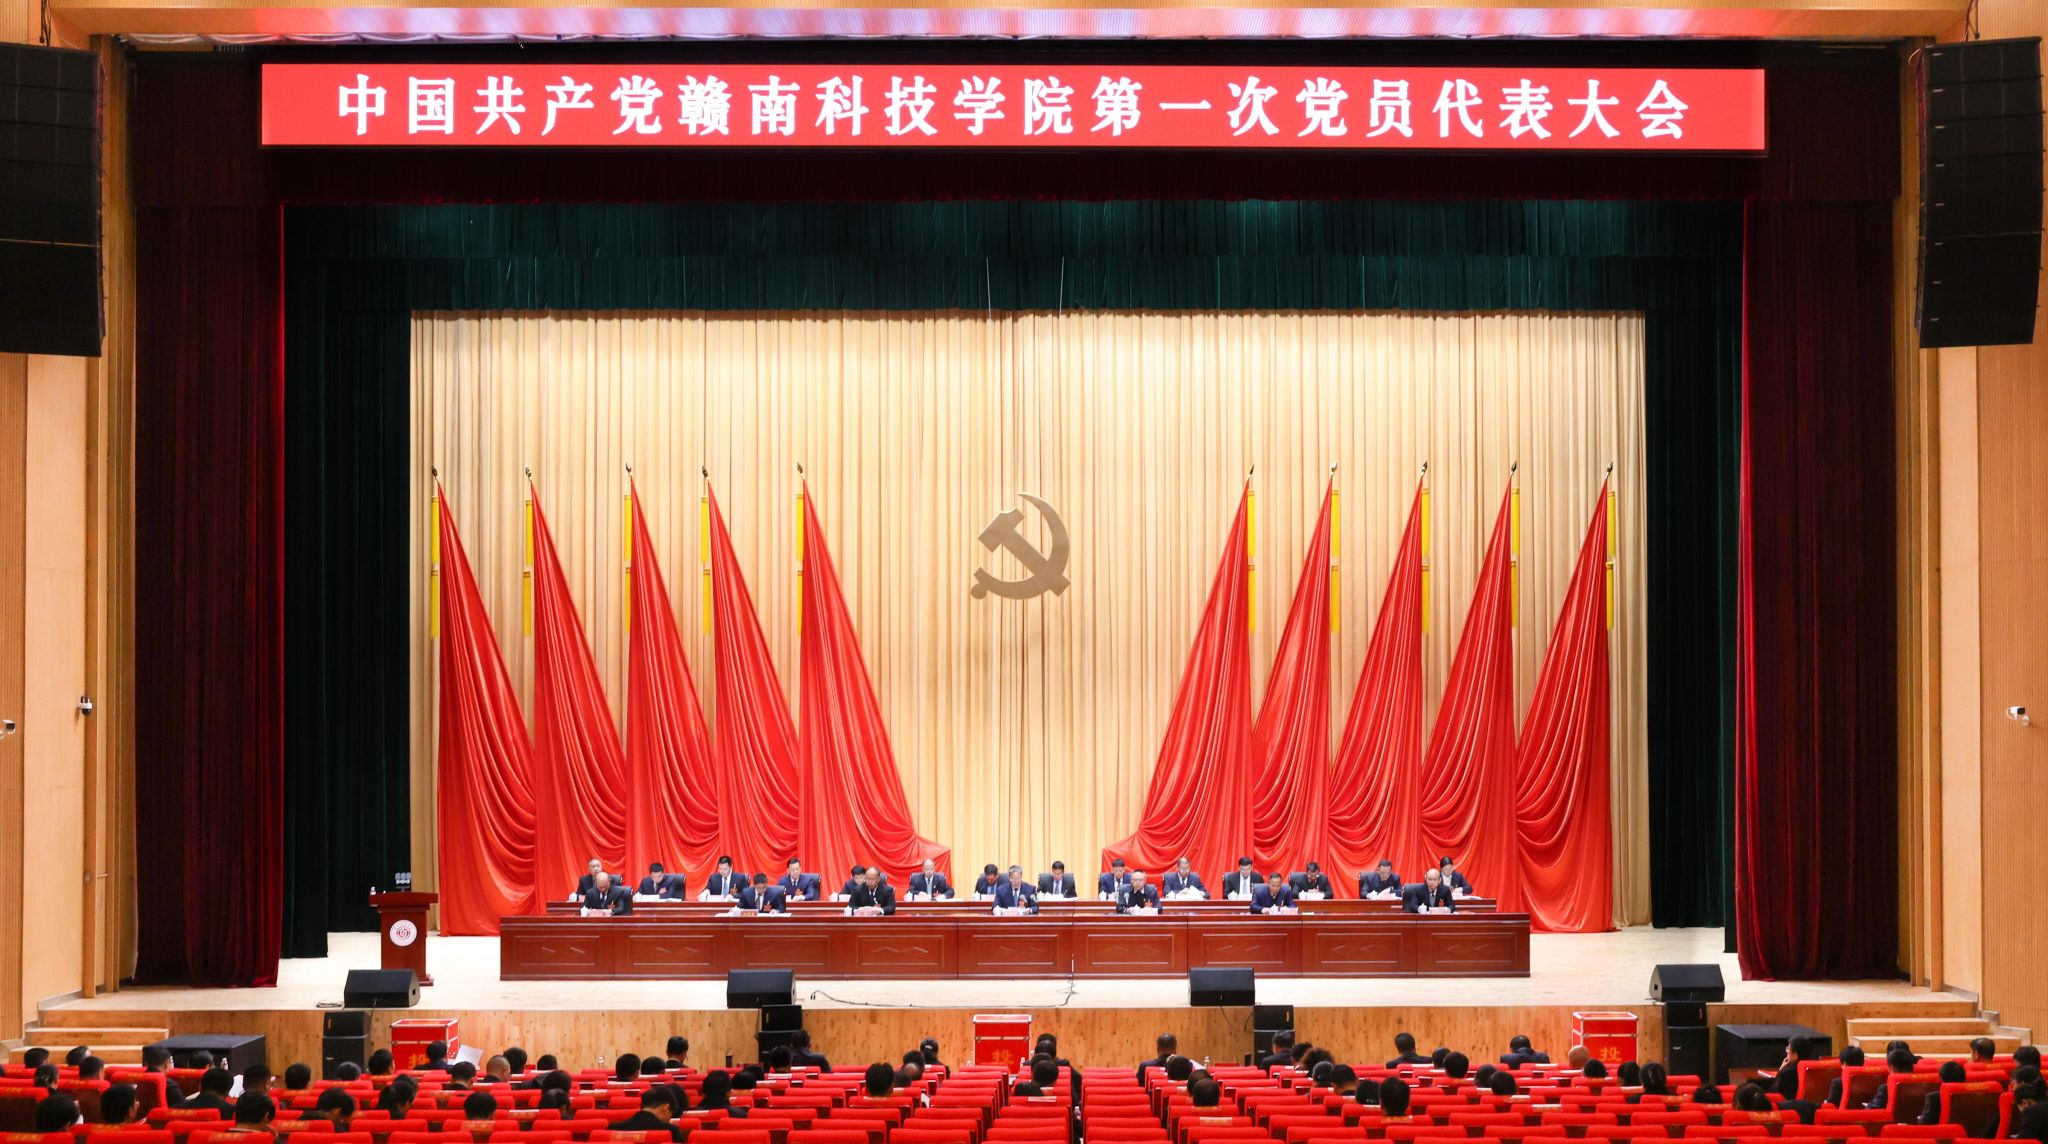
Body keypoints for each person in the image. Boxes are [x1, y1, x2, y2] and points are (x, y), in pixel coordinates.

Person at [1764, 1035, 1822, 1122]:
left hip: (1794, 1113)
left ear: (1795, 1055)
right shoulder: (1817, 1069)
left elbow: (1773, 1094)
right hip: (1815, 1110)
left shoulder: (1786, 1073)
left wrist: (1780, 1071)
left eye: (1788, 1049)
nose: (1787, 1052)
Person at [615, 1086, 688, 1141]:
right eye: (670, 1116)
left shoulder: (615, 1129)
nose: (668, 1121)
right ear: (667, 1108)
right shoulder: (671, 1131)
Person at [1913, 1060, 1969, 1125]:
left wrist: (1920, 1119)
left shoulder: (1933, 1098)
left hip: (1942, 1131)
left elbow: (1924, 1124)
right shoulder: (1973, 1096)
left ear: (1941, 1079)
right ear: (1964, 1078)